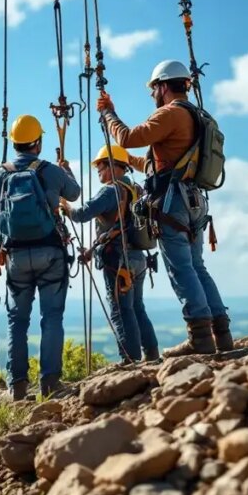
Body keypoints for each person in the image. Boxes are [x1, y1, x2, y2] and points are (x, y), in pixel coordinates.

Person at [97, 59, 232, 356]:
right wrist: (126, 162)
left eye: (153, 88)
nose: (151, 95)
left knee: (181, 268)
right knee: (197, 267)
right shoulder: (196, 115)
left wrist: (108, 113)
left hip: (174, 201)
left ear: (162, 86)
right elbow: (157, 162)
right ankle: (221, 334)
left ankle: (200, 337)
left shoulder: (170, 113)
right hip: (193, 198)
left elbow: (128, 137)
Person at [0, 114, 81, 400]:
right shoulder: (50, 170)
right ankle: (50, 382)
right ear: (38, 142)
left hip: (14, 256)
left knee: (17, 322)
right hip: (50, 252)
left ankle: (18, 387)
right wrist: (66, 170)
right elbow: (74, 194)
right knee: (51, 317)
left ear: (14, 142)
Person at [64, 144, 159, 362]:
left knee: (120, 310)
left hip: (117, 260)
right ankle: (152, 354)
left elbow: (81, 214)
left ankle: (130, 359)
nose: (98, 170)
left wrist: (66, 207)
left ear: (113, 165)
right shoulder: (136, 190)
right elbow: (121, 225)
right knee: (137, 308)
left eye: (100, 165)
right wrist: (91, 250)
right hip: (138, 258)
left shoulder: (111, 190)